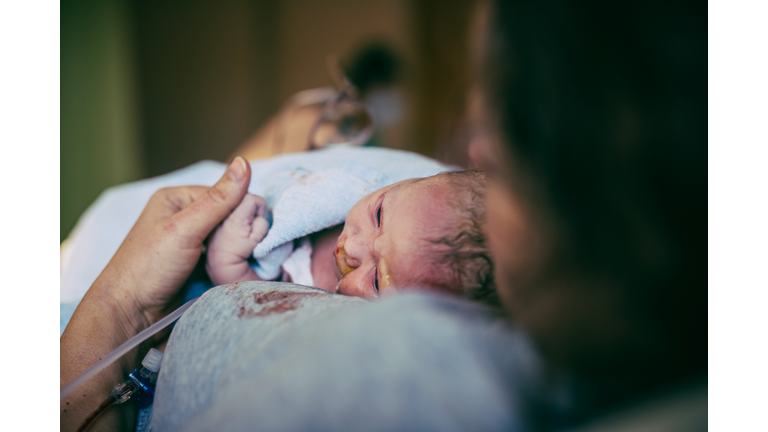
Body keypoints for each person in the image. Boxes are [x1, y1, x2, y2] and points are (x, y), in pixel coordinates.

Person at [61, 0, 705, 429]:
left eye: (521, 121)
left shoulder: (418, 368)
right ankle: (307, 126)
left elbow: (250, 285)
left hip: (89, 339)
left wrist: (116, 306)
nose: (349, 254)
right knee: (300, 134)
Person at [207, 170, 496, 303]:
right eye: (380, 215)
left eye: (376, 282)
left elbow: (255, 303)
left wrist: (226, 263)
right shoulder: (356, 189)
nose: (353, 248)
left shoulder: (324, 308)